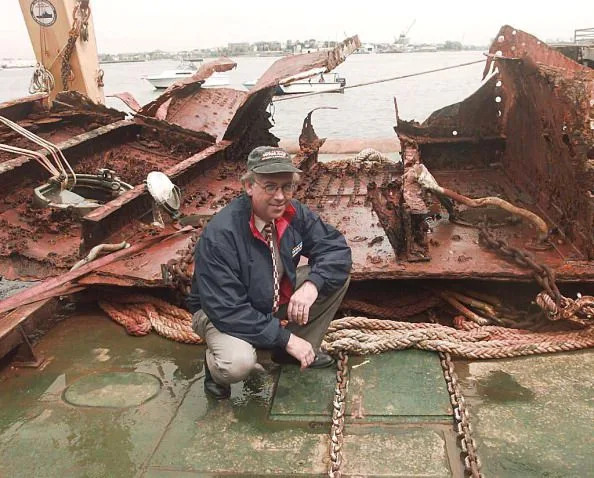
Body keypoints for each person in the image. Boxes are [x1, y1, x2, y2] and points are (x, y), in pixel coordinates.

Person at [188, 146, 352, 399]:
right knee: (237, 364)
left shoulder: (293, 213)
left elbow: (335, 249)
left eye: (287, 186)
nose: (280, 196)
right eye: (270, 186)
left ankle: (287, 353)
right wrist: (285, 337)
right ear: (249, 186)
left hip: (269, 293)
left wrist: (312, 285)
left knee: (334, 277)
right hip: (218, 311)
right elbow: (227, 308)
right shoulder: (222, 234)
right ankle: (215, 367)